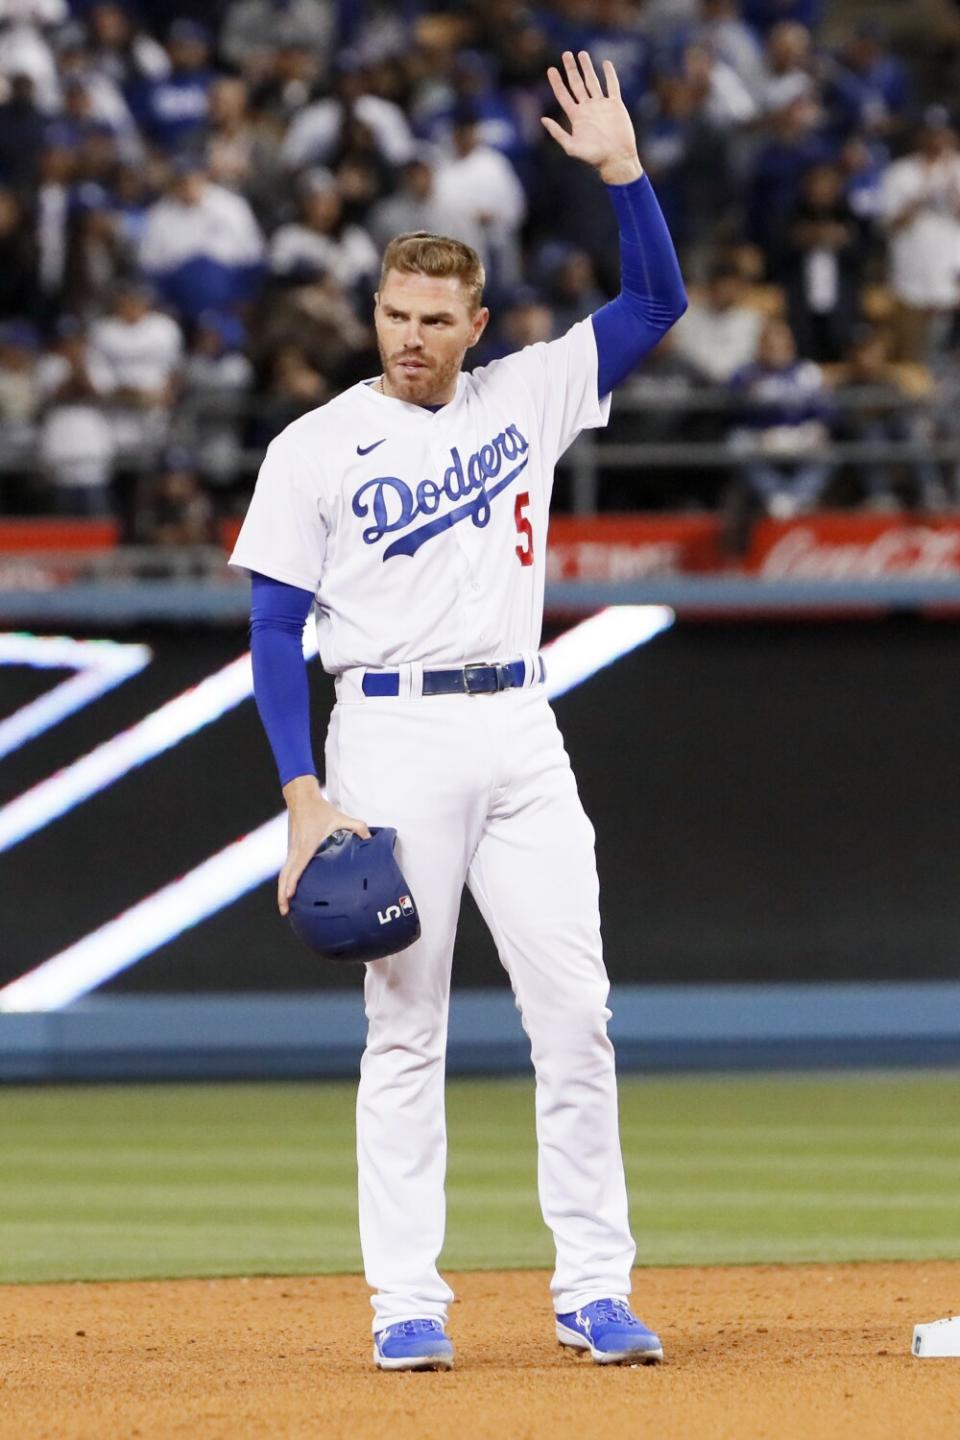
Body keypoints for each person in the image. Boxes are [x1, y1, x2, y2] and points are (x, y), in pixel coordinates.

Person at [229, 51, 687, 1372]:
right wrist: (301, 794)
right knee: (406, 1028)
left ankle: (595, 1288)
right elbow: (270, 633)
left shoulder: (528, 393)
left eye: (437, 316)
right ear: (372, 315)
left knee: (577, 1018)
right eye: (394, 314)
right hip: (385, 739)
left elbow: (654, 298)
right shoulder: (313, 449)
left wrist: (624, 174)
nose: (413, 335)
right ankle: (407, 1304)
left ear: (475, 323)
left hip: (522, 734)